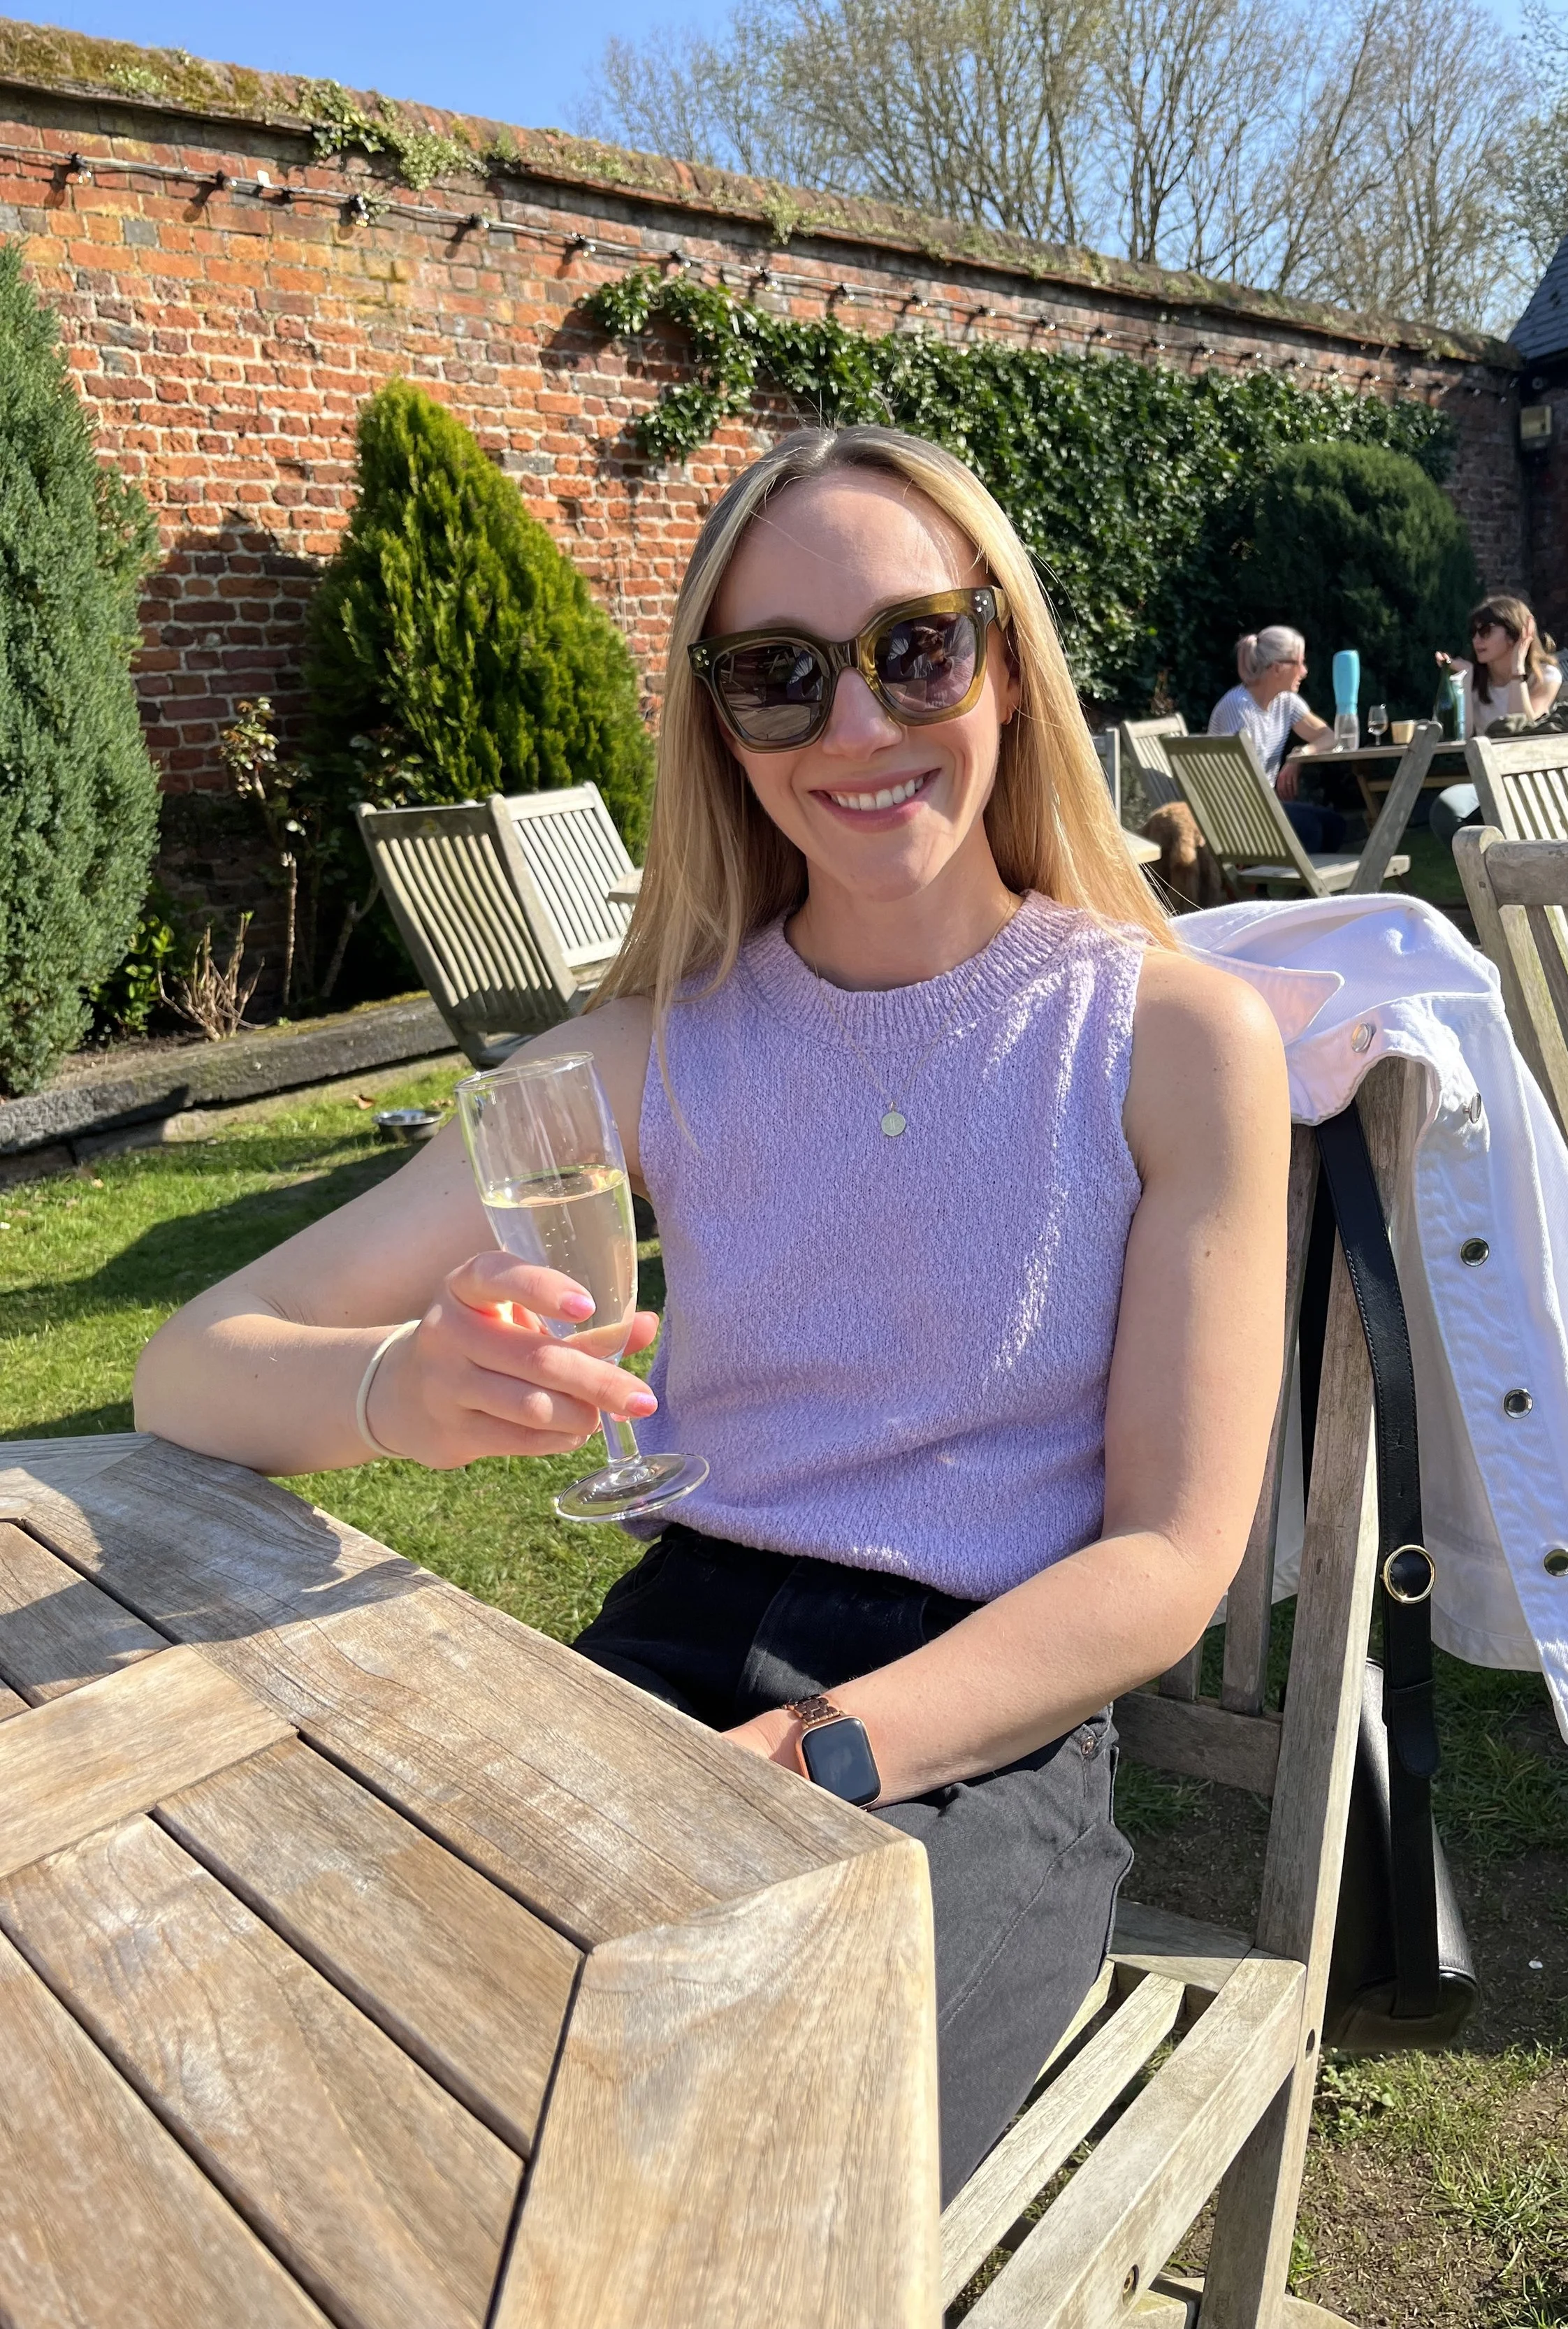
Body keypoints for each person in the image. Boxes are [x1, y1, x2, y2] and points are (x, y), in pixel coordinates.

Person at [133, 425, 1289, 2202]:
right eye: (779, 677)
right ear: (718, 725)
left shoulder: (1161, 1035)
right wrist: (400, 1389)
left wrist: (832, 1749)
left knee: (745, 2180)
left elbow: (1171, 1555)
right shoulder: (654, 1049)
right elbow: (182, 1374)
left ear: (1006, 657)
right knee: (347, 2082)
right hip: (670, 1653)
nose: (857, 728)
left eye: (916, 647)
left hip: (981, 1722)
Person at [1206, 627, 1346, 852]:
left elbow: (1329, 737)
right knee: (1311, 829)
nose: (1305, 671)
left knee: (1335, 825)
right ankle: (1290, 886)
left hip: (1262, 809)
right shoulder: (1239, 708)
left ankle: (1301, 888)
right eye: (1299, 663)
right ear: (1278, 667)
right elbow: (1238, 784)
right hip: (1235, 816)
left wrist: (1300, 755)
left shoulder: (1285, 701)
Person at [1435, 596, 1561, 735]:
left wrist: (1517, 667)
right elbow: (1461, 737)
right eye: (1473, 632)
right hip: (1484, 756)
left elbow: (1522, 728)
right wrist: (1466, 678)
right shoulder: (1473, 679)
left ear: (1514, 634)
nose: (1476, 640)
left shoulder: (1546, 676)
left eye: (1485, 631)